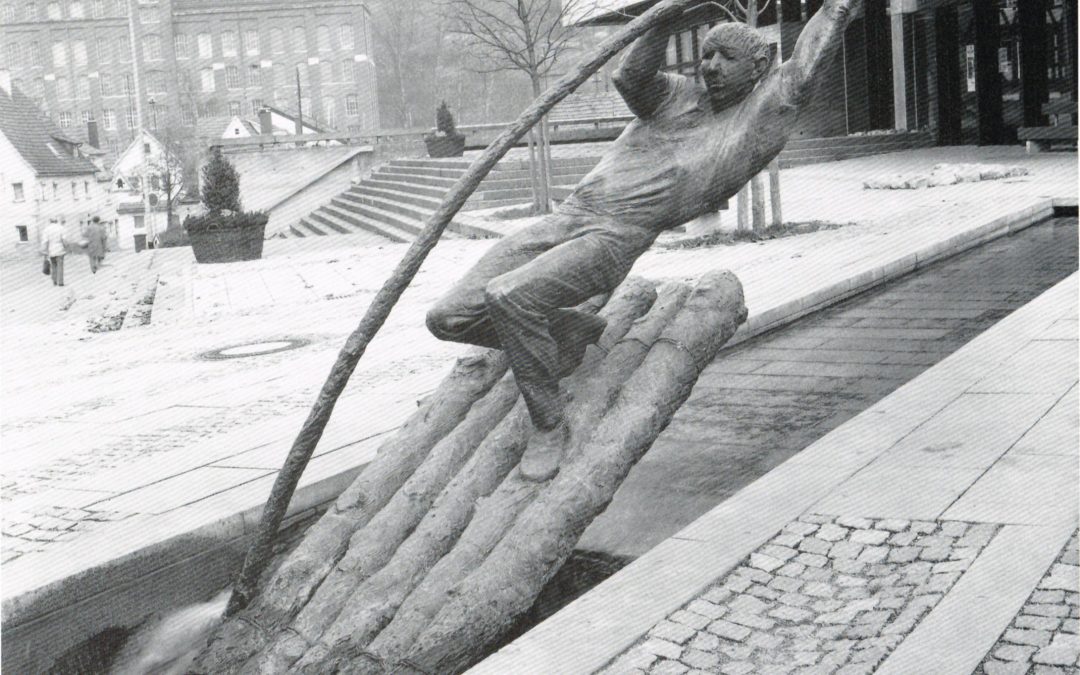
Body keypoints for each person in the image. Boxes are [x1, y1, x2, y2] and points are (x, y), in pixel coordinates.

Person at [426, 0, 859, 481]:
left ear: (759, 65)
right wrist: (664, 18)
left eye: (725, 58)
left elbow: (809, 56)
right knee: (447, 317)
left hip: (615, 236)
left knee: (510, 295)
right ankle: (564, 333)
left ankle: (549, 424)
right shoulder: (674, 95)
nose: (710, 66)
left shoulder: (763, 113)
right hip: (569, 216)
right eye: (706, 54)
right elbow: (630, 77)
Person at [40, 219, 68, 287]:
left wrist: (44, 251)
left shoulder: (46, 229)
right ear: (56, 221)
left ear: (50, 221)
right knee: (60, 266)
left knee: (53, 265)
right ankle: (60, 282)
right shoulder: (61, 228)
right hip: (60, 249)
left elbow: (45, 241)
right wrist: (67, 247)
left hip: (51, 249)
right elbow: (64, 240)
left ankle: (54, 281)